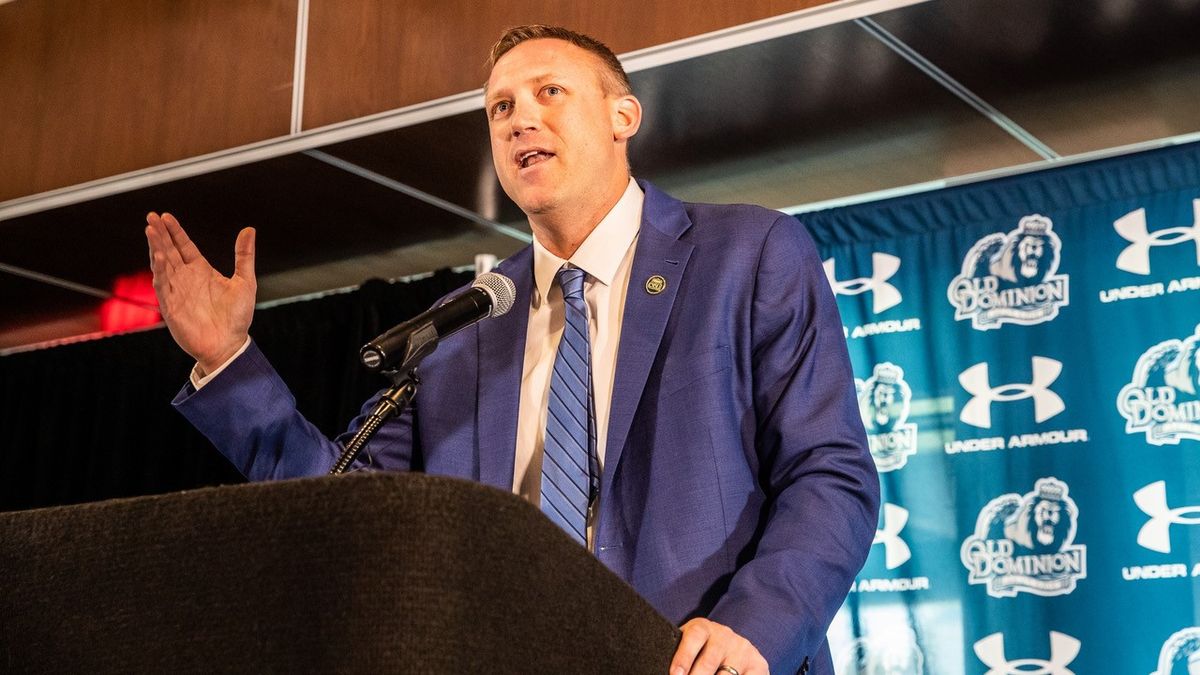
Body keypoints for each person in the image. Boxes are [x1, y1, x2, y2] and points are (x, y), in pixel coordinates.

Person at [145, 25, 879, 675]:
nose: (520, 117)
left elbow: (830, 473)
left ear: (624, 115)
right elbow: (344, 501)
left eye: (549, 91)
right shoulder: (463, 323)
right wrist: (229, 358)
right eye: (500, 108)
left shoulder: (746, 254)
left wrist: (754, 628)